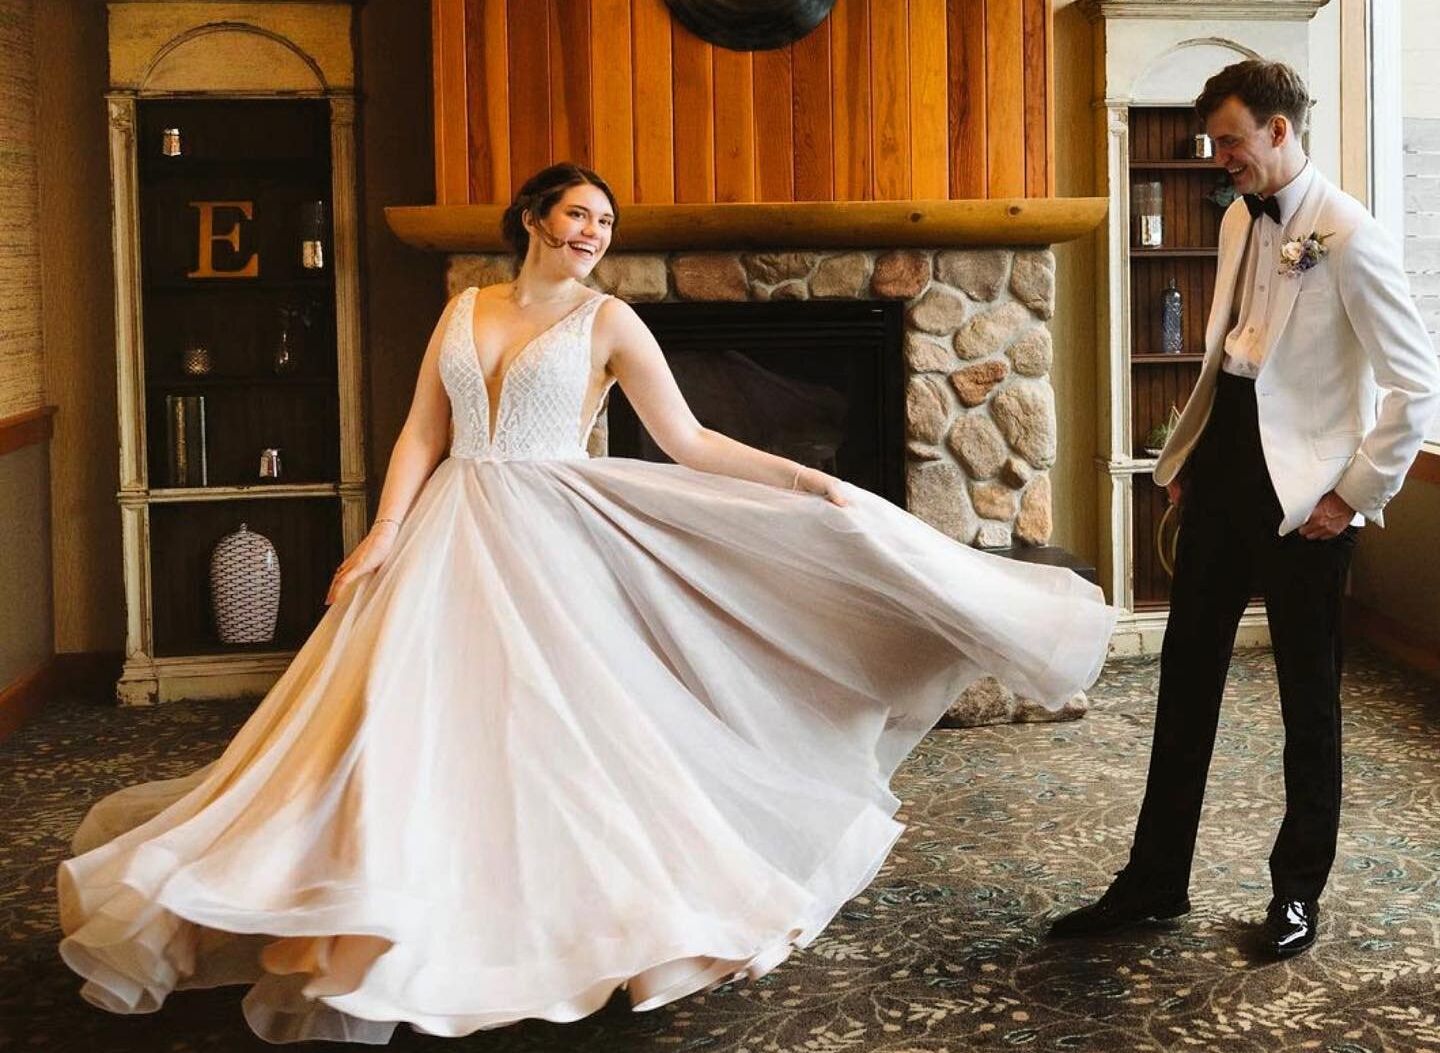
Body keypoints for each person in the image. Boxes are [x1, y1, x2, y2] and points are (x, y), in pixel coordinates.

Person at [59, 161, 1117, 1044]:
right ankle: (387, 901)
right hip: (449, 530)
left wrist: (806, 482)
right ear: (532, 218)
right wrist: (379, 537)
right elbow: (423, 434)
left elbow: (688, 440)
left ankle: (605, 918)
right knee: (406, 726)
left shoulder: (610, 320)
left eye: (605, 223)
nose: (592, 233)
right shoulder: (462, 309)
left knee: (565, 730)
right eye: (577, 215)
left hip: (552, 532)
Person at [1050, 60, 1440, 958]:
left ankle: (1296, 894)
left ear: (1278, 130)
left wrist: (1349, 498)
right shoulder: (1235, 217)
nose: (1217, 155)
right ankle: (1155, 881)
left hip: (1305, 502)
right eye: (1214, 139)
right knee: (1185, 684)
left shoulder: (1351, 235)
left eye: (1230, 139)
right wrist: (1191, 458)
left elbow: (1415, 390)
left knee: (1310, 702)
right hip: (1225, 472)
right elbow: (1229, 356)